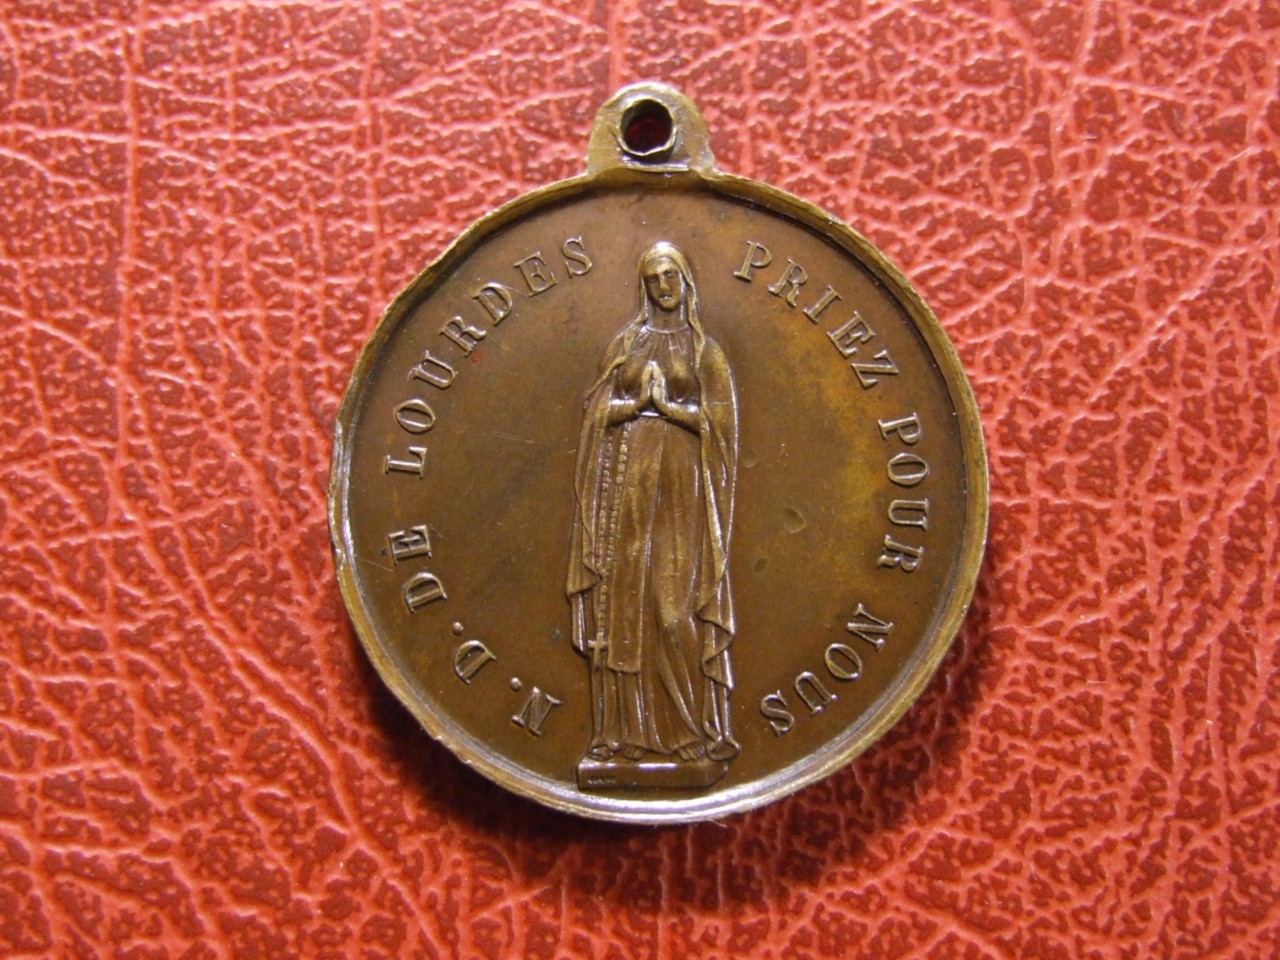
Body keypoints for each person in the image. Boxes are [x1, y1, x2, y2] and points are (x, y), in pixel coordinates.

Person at [567, 241, 739, 770]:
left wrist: (669, 409)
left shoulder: (705, 352)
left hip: (682, 492)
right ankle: (623, 734)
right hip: (626, 489)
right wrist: (632, 406)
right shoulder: (626, 345)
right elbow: (595, 413)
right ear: (644, 288)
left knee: (671, 611)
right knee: (623, 607)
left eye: (670, 276)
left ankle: (689, 728)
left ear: (686, 281)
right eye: (653, 279)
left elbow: (723, 429)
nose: (663, 287)